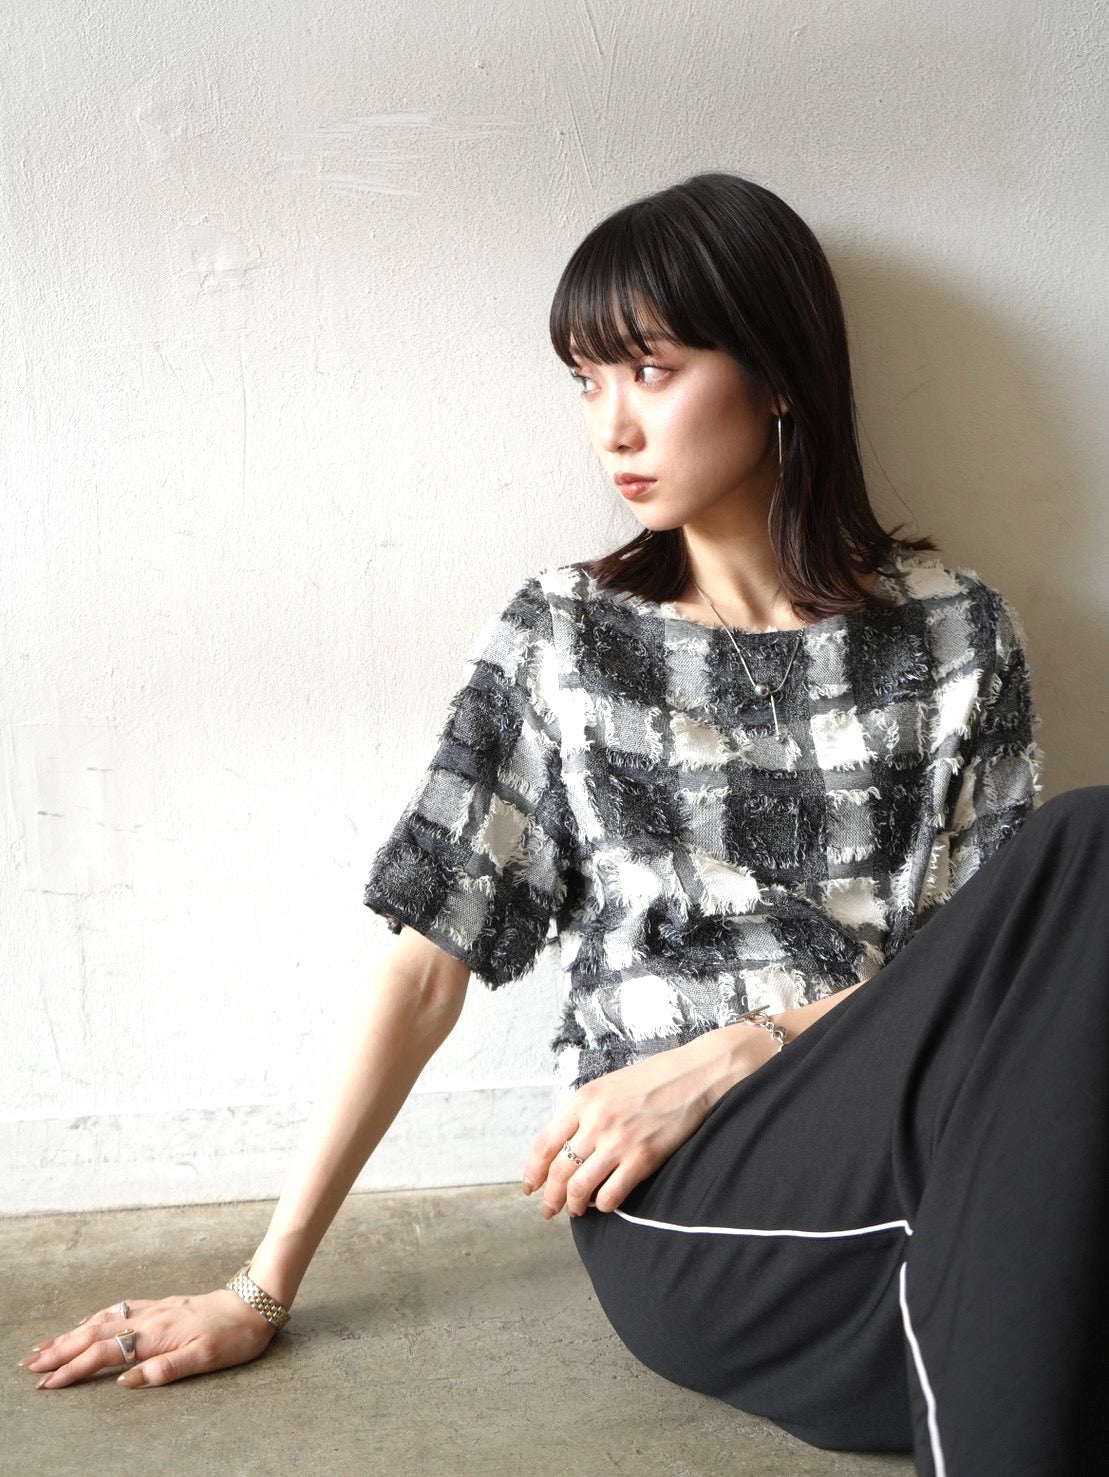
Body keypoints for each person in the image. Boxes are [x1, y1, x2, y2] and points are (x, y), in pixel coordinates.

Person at [21, 174, 1108, 1475]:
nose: (612, 426)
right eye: (587, 381)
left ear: (776, 375)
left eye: (650, 370)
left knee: (1083, 870)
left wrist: (740, 1047)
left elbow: (1003, 981)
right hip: (688, 1186)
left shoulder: (955, 632)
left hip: (912, 1135)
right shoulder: (566, 637)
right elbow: (425, 968)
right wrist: (258, 1285)